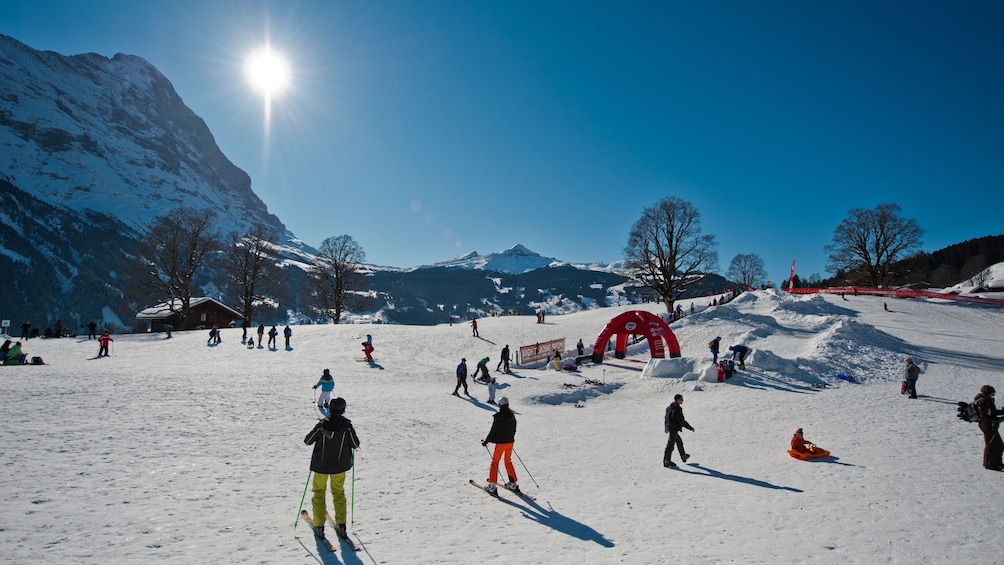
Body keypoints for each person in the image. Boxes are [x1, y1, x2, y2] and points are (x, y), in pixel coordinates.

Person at [304, 397, 360, 542]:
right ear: (343, 409)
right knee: (339, 493)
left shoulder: (322, 425)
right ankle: (341, 525)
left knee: (318, 493)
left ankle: (319, 525)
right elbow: (355, 443)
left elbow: (308, 440)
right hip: (340, 467)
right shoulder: (347, 425)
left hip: (321, 466)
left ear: (330, 409)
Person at [481, 396, 518, 496]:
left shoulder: (498, 417)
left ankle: (492, 486)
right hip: (510, 442)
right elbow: (514, 429)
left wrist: (486, 441)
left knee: (495, 463)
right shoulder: (512, 416)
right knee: (508, 461)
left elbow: (493, 431)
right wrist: (510, 438)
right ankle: (513, 483)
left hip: (501, 444)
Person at [974, 386, 1004, 470]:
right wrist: (997, 419)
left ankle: (997, 462)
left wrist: (1001, 412)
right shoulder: (984, 401)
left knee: (999, 445)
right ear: (989, 392)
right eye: (993, 392)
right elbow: (984, 415)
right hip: (988, 426)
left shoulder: (987, 399)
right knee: (991, 445)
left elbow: (992, 412)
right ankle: (989, 464)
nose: (994, 393)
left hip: (991, 425)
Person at [663, 394, 694, 468]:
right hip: (673, 429)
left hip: (671, 428)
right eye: (681, 399)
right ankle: (666, 461)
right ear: (678, 400)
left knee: (679, 441)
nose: (683, 401)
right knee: (670, 445)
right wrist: (690, 428)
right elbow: (681, 421)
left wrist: (666, 426)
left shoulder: (669, 407)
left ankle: (683, 456)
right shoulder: (677, 409)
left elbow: (666, 418)